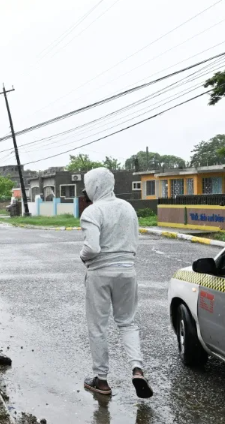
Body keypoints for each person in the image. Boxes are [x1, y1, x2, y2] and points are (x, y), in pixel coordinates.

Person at [79, 167, 153, 399]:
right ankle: (137, 370)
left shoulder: (92, 212)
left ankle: (101, 381)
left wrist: (82, 256)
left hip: (100, 273)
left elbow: (92, 248)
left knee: (98, 327)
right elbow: (134, 239)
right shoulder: (128, 208)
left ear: (94, 186)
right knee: (127, 323)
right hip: (127, 272)